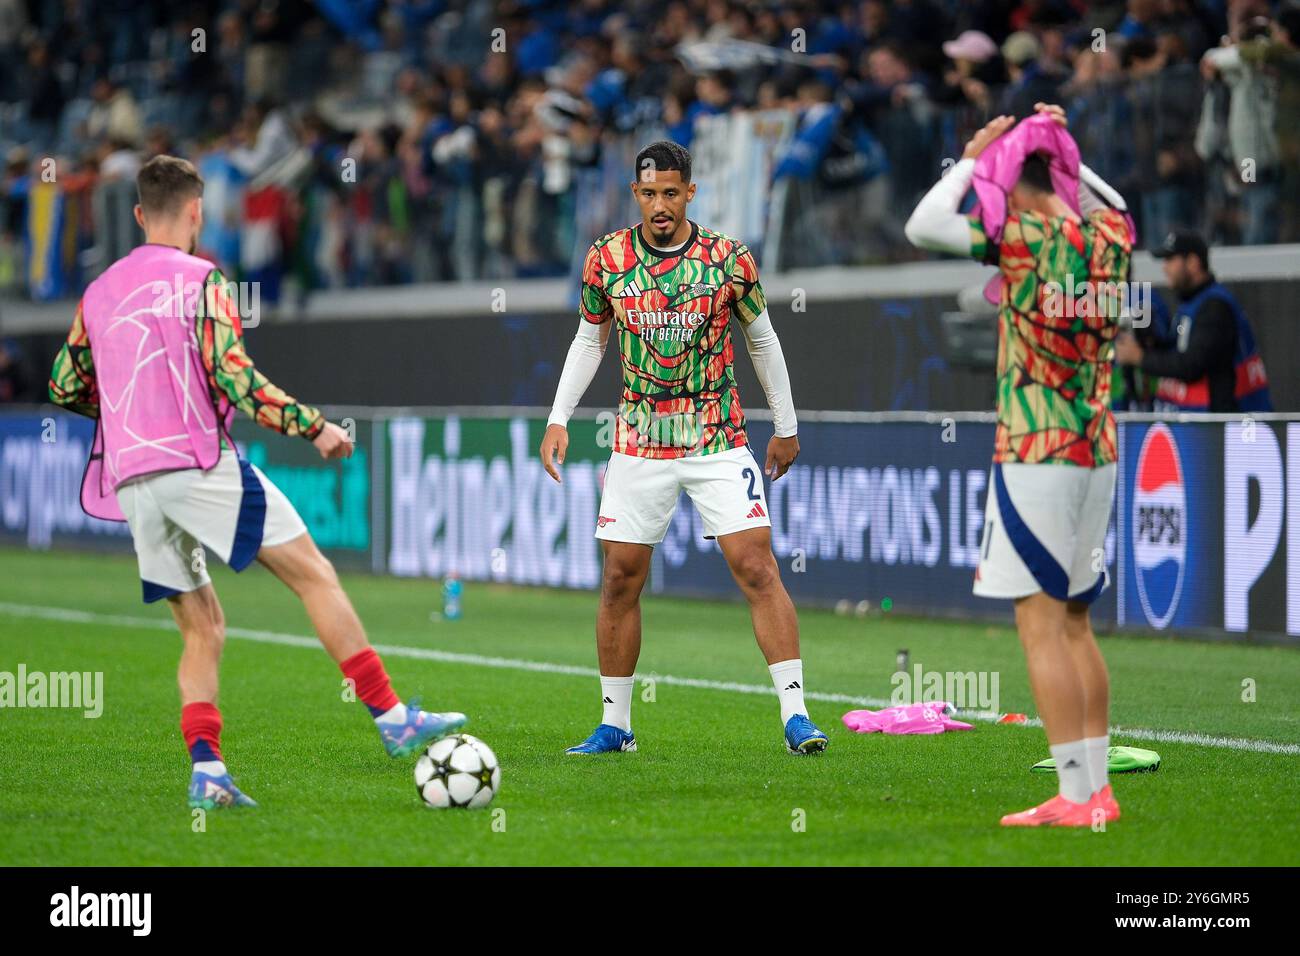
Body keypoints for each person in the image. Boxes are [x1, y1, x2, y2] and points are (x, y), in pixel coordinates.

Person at [47, 155, 466, 810]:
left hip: (133, 479)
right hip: (194, 461)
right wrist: (315, 426)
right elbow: (236, 381)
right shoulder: (201, 278)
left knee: (203, 627)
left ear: (136, 215)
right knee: (313, 574)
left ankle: (208, 774)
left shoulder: (98, 292)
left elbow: (64, 384)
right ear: (196, 211)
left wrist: (129, 413)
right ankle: (392, 717)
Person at [539, 140, 828, 756]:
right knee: (621, 578)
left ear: (690, 192)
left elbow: (762, 341)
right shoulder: (606, 258)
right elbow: (590, 341)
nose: (660, 204)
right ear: (636, 195)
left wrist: (786, 424)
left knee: (756, 565)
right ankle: (616, 725)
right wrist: (558, 416)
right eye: (649, 193)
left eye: (672, 192)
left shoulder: (729, 260)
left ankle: (797, 716)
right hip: (640, 440)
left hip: (715, 435)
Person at [904, 105, 1131, 827]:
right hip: (1097, 445)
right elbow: (1111, 198)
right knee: (1076, 623)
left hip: (1036, 450)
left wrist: (976, 155)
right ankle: (1097, 789)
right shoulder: (1110, 234)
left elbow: (923, 224)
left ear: (1010, 180)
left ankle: (1073, 794)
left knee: (1039, 626)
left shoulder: (1020, 236)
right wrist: (1055, 141)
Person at [1114, 231, 1272, 412]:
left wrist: (1140, 357)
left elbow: (1191, 365)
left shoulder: (1215, 307)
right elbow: (1179, 351)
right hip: (1207, 426)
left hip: (1227, 428)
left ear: (1193, 263)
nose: (1165, 268)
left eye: (1170, 260)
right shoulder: (1193, 303)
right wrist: (1152, 342)